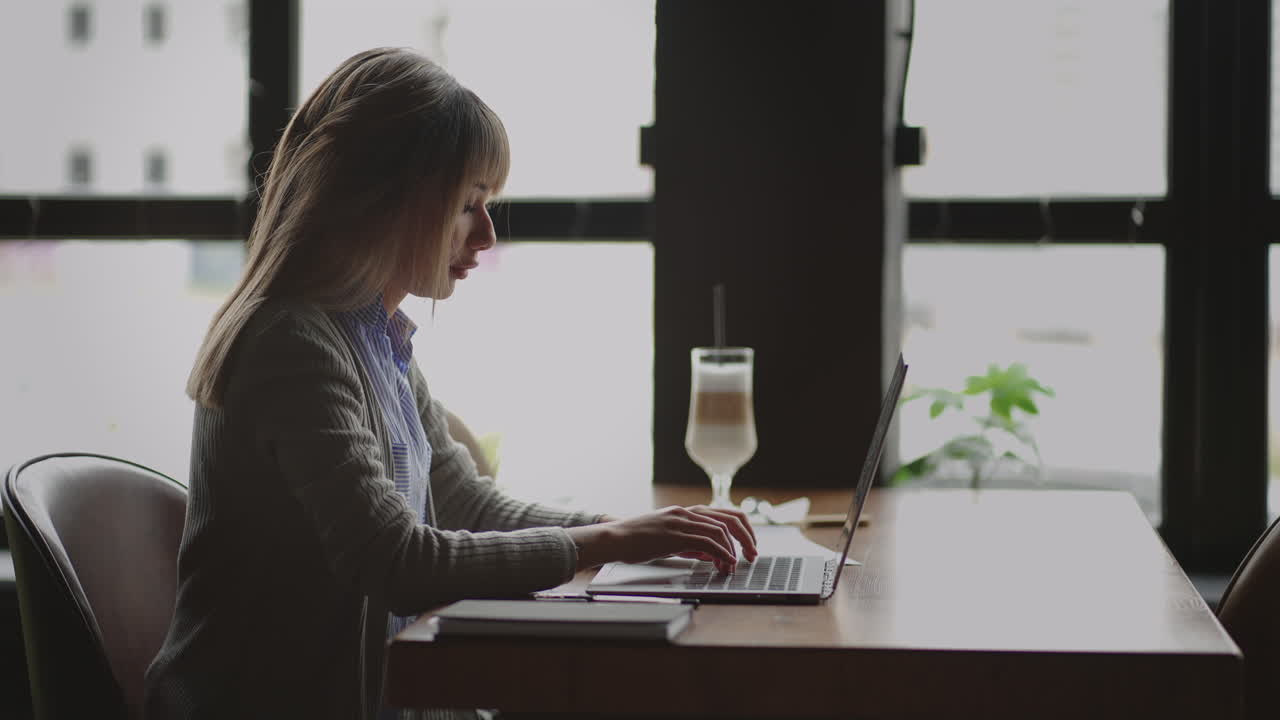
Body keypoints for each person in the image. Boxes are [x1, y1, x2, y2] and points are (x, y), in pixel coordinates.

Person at [143, 47, 757, 720]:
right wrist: (609, 544)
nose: (487, 234)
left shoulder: (373, 338)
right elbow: (397, 561)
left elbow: (465, 503)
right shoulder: (291, 346)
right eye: (468, 204)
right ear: (381, 199)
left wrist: (626, 529)